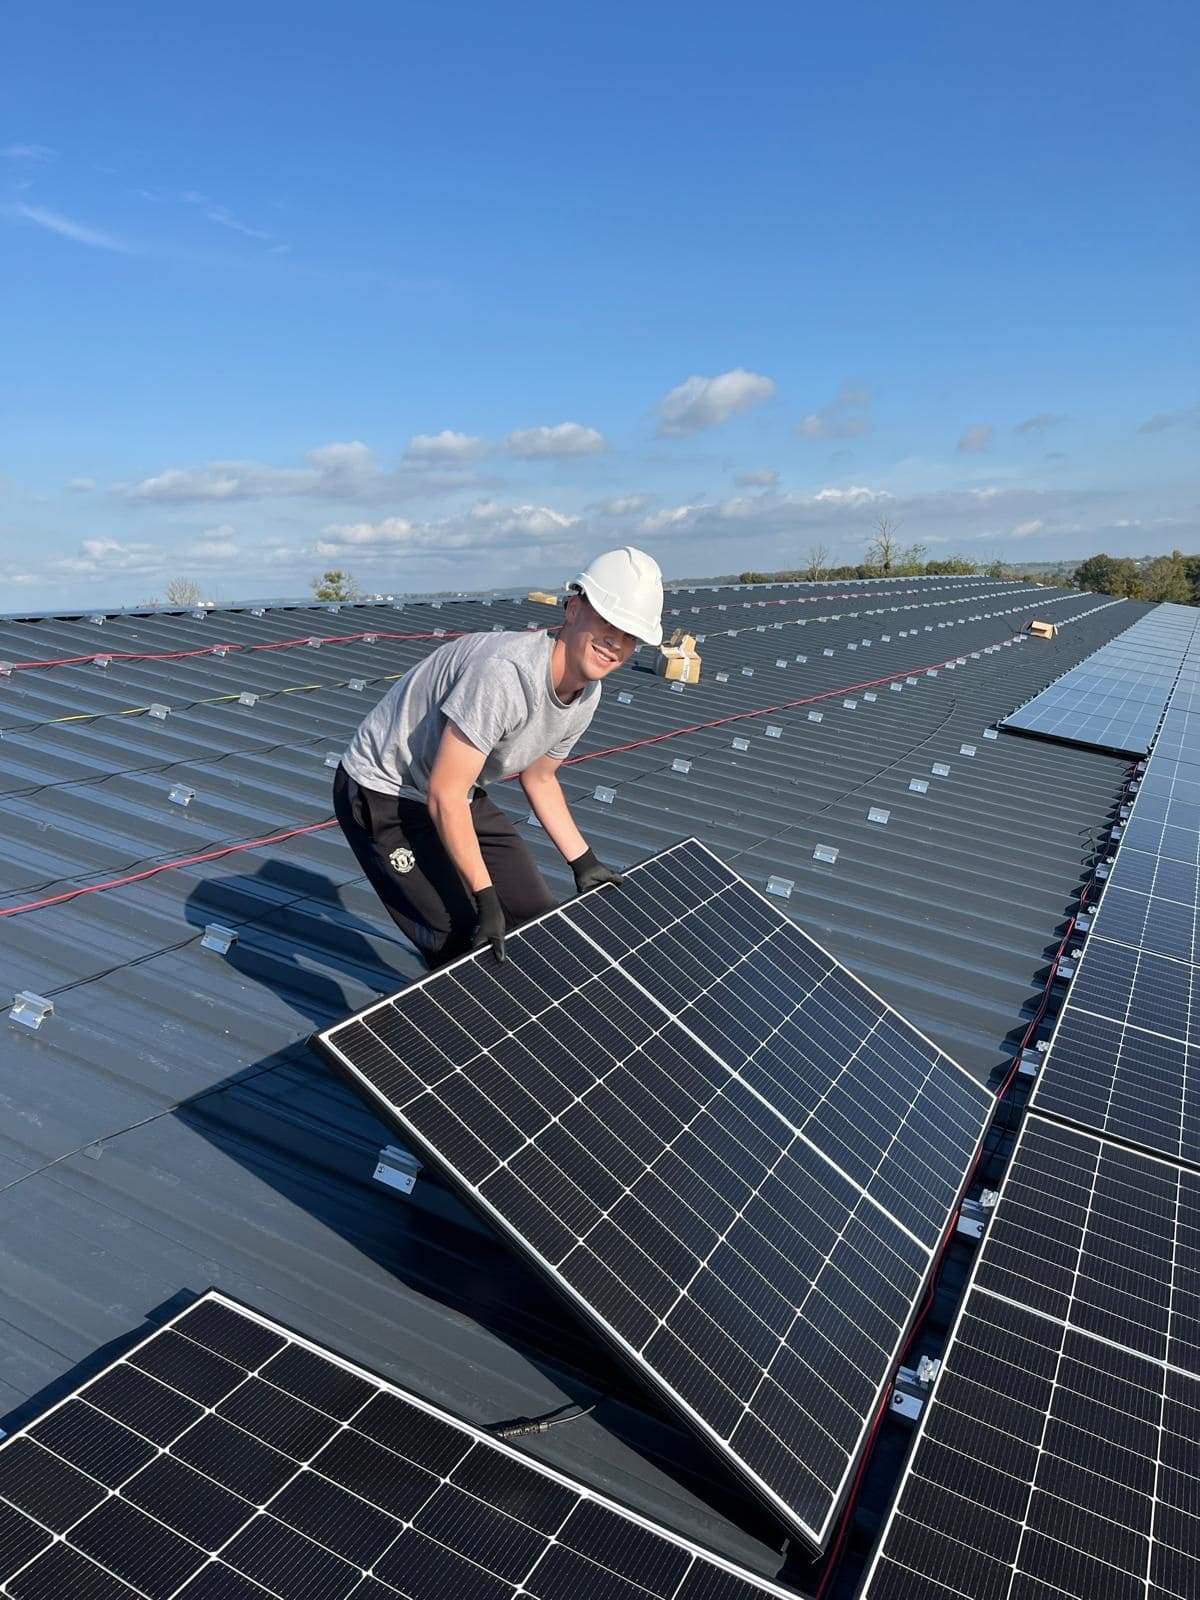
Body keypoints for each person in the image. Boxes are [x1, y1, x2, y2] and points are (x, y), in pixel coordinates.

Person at [333, 547, 664, 968]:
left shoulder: (586, 695)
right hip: (384, 791)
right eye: (608, 622)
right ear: (573, 608)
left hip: (456, 787)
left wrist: (583, 862)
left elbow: (540, 777)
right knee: (461, 938)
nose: (616, 642)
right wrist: (486, 900)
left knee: (536, 918)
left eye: (631, 635)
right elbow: (444, 794)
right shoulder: (505, 675)